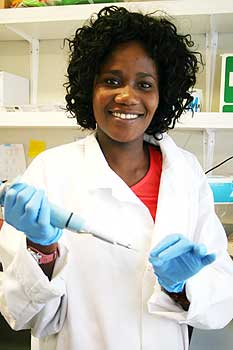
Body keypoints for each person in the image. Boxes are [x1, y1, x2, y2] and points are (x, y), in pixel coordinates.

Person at [0, 5, 233, 350]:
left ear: (161, 95)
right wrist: (41, 248)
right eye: (111, 80)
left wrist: (179, 285)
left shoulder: (185, 172)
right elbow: (21, 313)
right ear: (88, 87)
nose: (127, 96)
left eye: (145, 84)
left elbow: (222, 300)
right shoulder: (50, 170)